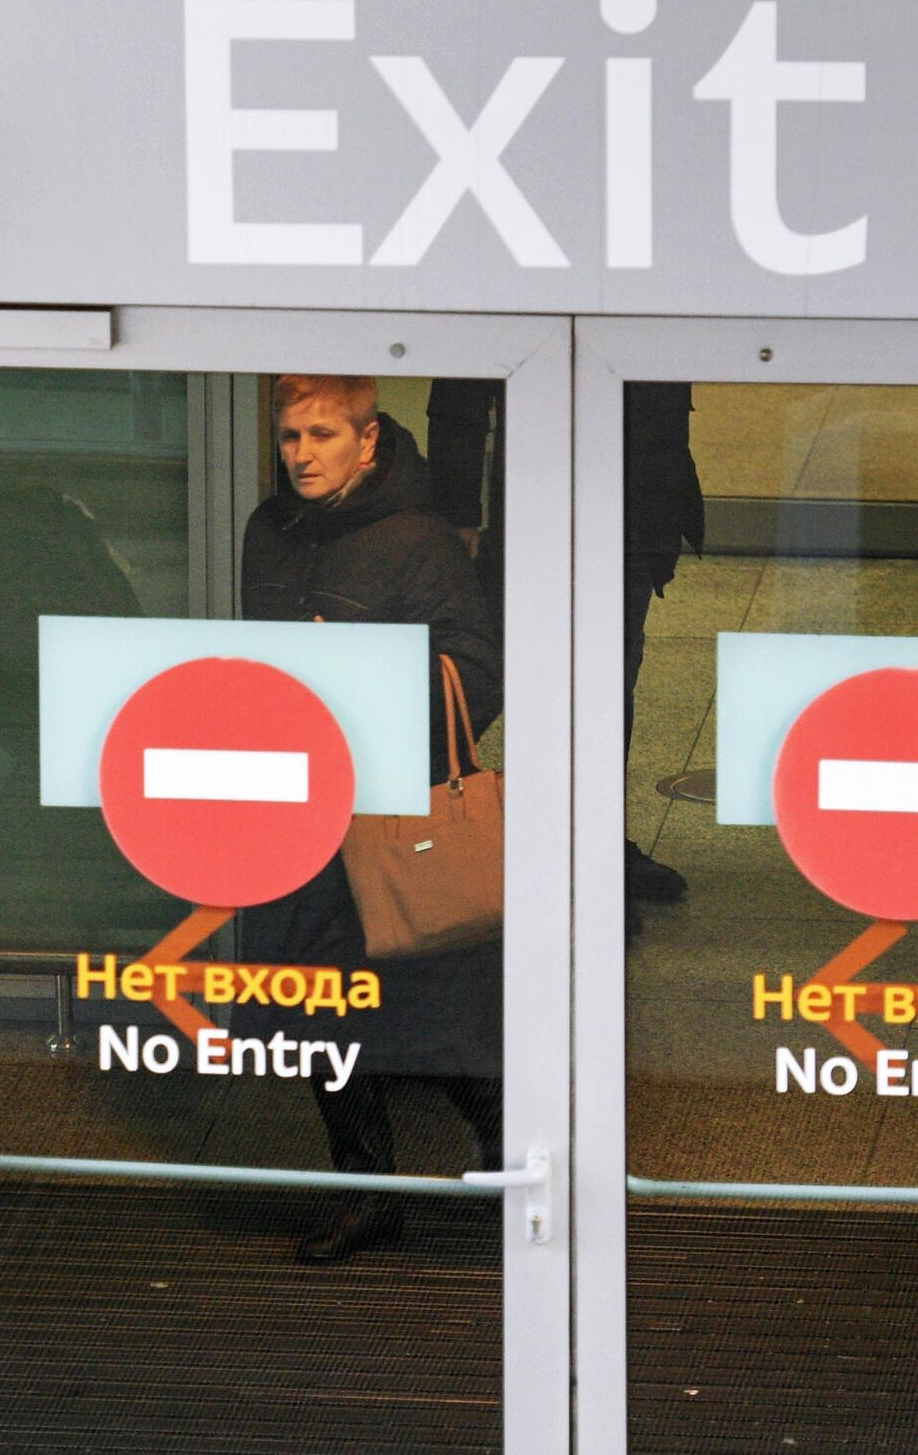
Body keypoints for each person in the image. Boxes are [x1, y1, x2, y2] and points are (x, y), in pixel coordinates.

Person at [241, 377, 503, 1263]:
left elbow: (477, 675)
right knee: (320, 1014)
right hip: (301, 809)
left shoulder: (420, 543)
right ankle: (365, 1192)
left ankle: (512, 1171)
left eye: (322, 434)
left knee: (434, 1017)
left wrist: (356, 677)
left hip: (394, 813)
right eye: (289, 437)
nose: (302, 454)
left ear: (370, 438)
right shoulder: (266, 533)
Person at [426, 378, 705, 916]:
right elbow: (461, 393)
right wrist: (460, 511)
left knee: (609, 682)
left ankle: (593, 844)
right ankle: (437, 831)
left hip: (630, 512)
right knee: (493, 675)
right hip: (533, 510)